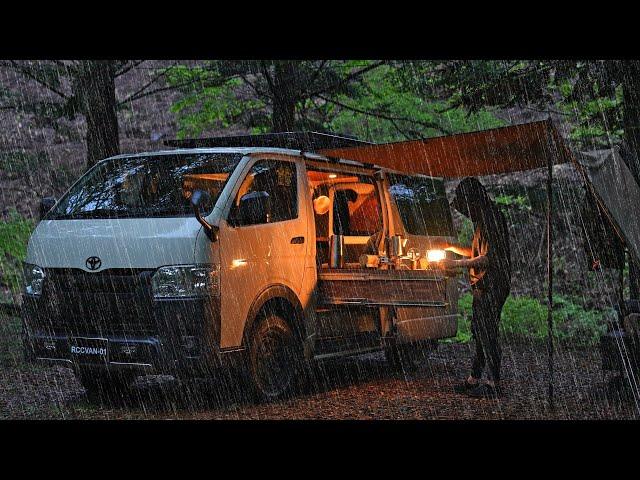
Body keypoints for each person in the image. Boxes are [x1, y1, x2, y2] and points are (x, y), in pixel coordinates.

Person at [440, 177, 511, 398]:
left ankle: (494, 384)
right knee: (480, 331)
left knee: (487, 333)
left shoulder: (492, 218)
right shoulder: (483, 218)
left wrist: (456, 263)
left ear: (473, 202)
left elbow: (488, 259)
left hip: (493, 284)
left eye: (466, 207)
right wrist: (452, 247)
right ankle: (474, 379)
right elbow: (476, 254)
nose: (466, 213)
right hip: (484, 285)